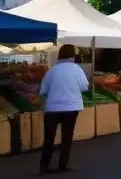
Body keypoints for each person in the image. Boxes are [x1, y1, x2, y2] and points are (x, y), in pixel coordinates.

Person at [38, 44, 88, 174]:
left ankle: (44, 166)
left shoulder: (52, 70)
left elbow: (43, 90)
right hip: (71, 107)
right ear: (73, 55)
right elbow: (84, 87)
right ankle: (62, 165)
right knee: (67, 137)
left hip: (52, 107)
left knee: (49, 137)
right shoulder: (77, 69)